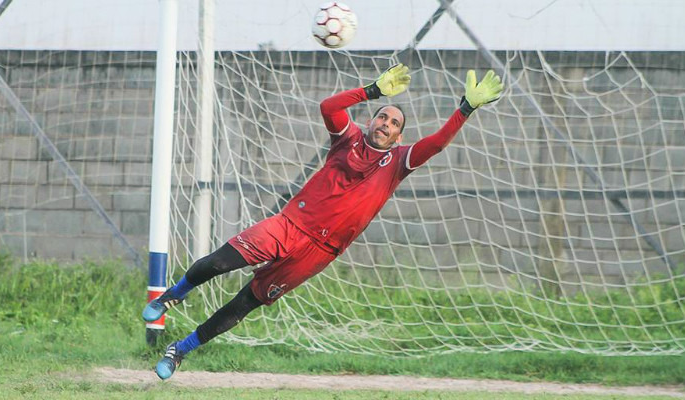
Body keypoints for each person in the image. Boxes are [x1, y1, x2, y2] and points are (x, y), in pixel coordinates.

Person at [142, 64, 503, 380]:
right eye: (382, 116)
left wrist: (465, 108)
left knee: (243, 304)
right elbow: (328, 106)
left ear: (399, 136)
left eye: (394, 123)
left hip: (319, 252)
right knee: (219, 262)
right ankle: (172, 296)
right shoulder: (347, 139)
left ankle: (180, 350)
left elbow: (438, 144)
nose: (386, 124)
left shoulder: (398, 162)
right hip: (289, 225)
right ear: (371, 120)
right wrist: (373, 90)